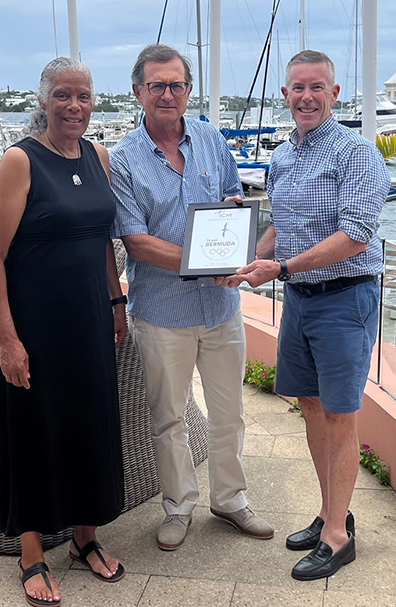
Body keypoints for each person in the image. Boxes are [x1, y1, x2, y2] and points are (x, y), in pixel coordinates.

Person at [217, 50, 389, 580]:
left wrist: (282, 268)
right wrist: (247, 259)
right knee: (311, 406)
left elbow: (356, 235)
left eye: (317, 87)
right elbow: (283, 228)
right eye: (298, 88)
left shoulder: (357, 154)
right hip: (300, 299)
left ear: (334, 94)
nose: (307, 96)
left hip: (345, 298)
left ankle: (338, 538)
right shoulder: (284, 156)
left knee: (339, 415)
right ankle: (331, 512)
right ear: (285, 94)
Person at [109, 43, 275, 552]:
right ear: (138, 91)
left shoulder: (211, 139)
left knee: (230, 413)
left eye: (176, 85)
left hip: (221, 307)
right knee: (169, 418)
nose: (167, 94)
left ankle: (230, 500)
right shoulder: (124, 159)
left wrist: (233, 220)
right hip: (162, 312)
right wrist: (202, 261)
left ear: (188, 90)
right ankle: (178, 506)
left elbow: (232, 200)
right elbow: (135, 240)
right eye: (157, 85)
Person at [0, 57, 127, 607]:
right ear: (43, 100)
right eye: (63, 95)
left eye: (83, 96)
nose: (74, 106)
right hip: (36, 326)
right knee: (34, 432)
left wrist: (116, 301)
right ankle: (31, 553)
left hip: (90, 320)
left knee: (91, 424)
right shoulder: (20, 161)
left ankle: (85, 539)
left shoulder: (98, 156)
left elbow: (101, 238)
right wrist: (7, 339)